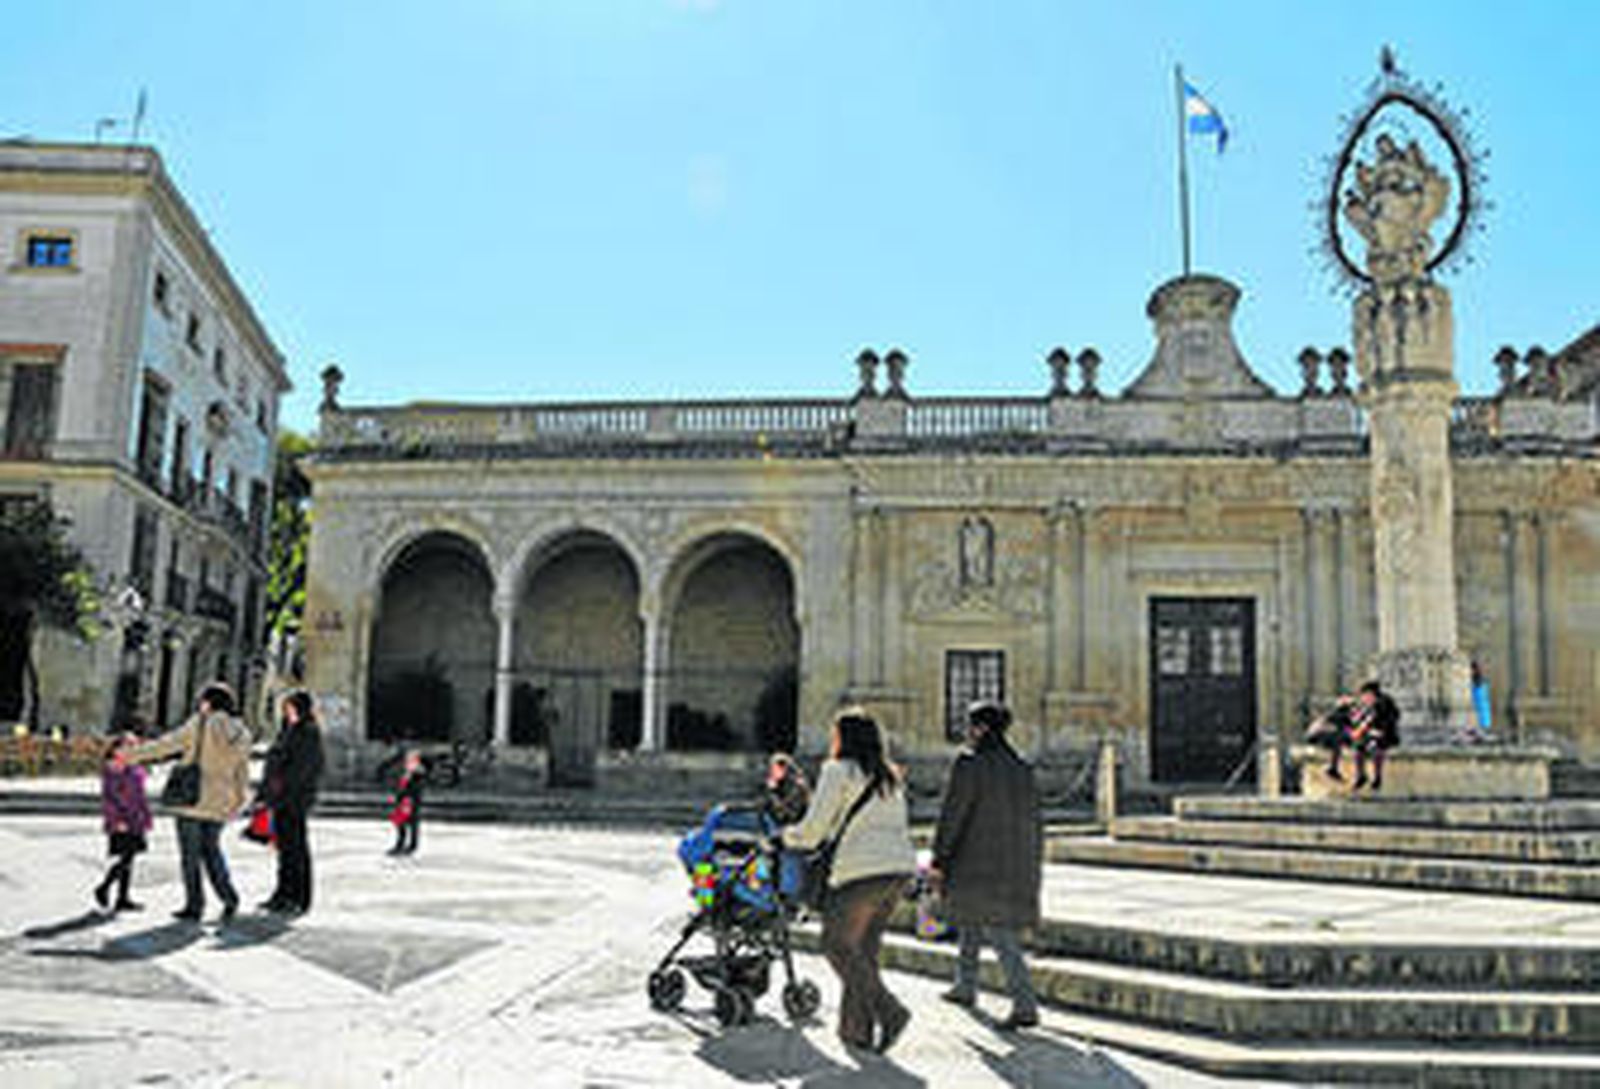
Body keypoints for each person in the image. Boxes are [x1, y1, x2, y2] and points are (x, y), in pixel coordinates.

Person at [782, 709, 916, 1054]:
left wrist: (786, 837)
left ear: (843, 738)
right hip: (897, 870)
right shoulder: (890, 776)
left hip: (861, 873)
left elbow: (814, 831)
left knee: (836, 945)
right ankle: (855, 1031)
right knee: (864, 951)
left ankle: (890, 1011)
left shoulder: (837, 771)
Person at [931, 700, 1042, 1030]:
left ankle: (1025, 1004)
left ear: (980, 729)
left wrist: (939, 858)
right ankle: (965, 986)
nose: (967, 731)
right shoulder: (1021, 767)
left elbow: (953, 814)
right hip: (1013, 861)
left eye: (970, 725)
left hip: (973, 860)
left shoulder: (969, 763)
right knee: (970, 921)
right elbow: (1035, 821)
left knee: (998, 933)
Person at [120, 683, 252, 923]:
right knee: (212, 851)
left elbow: (166, 745)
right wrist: (240, 800)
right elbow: (242, 771)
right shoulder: (242, 732)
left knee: (190, 855)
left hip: (193, 798)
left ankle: (195, 904)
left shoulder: (201, 723)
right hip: (222, 801)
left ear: (209, 703)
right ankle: (229, 898)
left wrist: (129, 756)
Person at [257, 690, 325, 915]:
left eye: (289, 707)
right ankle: (282, 894)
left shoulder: (308, 732)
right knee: (285, 851)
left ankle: (299, 897)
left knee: (296, 850)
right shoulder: (290, 731)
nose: (286, 711)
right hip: (282, 800)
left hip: (294, 800)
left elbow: (302, 770)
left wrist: (282, 788)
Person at [95, 732, 152, 913]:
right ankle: (104, 888)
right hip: (122, 820)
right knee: (125, 858)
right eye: (127, 745)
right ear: (115, 749)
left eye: (133, 745)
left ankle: (122, 898)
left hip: (136, 819)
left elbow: (141, 796)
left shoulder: (135, 769)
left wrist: (146, 816)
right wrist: (116, 820)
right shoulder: (112, 769)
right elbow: (108, 799)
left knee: (130, 858)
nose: (131, 749)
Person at [1351, 680, 1402, 791]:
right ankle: (1361, 775)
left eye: (1365, 695)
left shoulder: (1383, 703)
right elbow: (1360, 720)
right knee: (1358, 747)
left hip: (1386, 735)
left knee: (1375, 746)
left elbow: (1377, 721)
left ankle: (1377, 777)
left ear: (1371, 693)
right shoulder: (1369, 704)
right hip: (1372, 735)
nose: (1363, 698)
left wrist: (1367, 729)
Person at [1309, 695, 1358, 780]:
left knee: (1340, 738)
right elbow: (1350, 729)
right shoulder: (1341, 715)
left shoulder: (1336, 714)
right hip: (1318, 737)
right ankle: (1332, 769)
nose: (1353, 709)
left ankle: (1333, 768)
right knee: (1340, 737)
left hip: (1320, 736)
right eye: (1352, 706)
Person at [389, 749, 425, 855]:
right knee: (400, 823)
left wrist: (409, 797)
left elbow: (416, 788)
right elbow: (400, 785)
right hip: (403, 801)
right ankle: (400, 844)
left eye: (411, 759)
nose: (408, 761)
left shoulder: (418, 773)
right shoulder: (405, 772)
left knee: (412, 823)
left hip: (411, 801)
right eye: (408, 759)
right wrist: (397, 795)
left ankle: (412, 846)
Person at [764, 752, 811, 826]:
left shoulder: (795, 786)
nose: (778, 769)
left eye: (782, 766)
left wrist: (774, 792)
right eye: (776, 767)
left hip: (793, 828)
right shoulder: (769, 785)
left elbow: (787, 814)